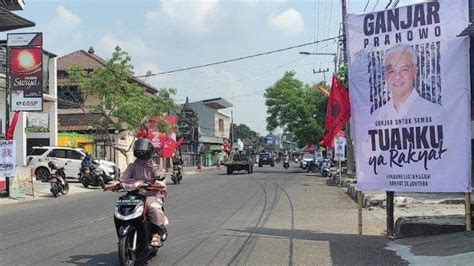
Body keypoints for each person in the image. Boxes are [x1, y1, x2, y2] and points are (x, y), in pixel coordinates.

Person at [110, 138, 168, 247]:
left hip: (151, 194)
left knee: (153, 207)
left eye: (143, 151)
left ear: (149, 152)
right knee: (121, 206)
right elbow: (124, 177)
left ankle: (156, 233)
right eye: (139, 151)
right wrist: (119, 183)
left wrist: (158, 181)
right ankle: (124, 233)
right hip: (135, 194)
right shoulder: (132, 166)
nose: (141, 153)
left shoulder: (154, 167)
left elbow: (160, 176)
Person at [373, 43, 439, 119]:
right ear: (386, 75)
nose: (397, 76)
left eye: (404, 70)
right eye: (391, 71)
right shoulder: (376, 116)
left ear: (415, 72)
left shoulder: (434, 112)